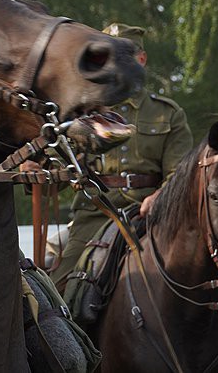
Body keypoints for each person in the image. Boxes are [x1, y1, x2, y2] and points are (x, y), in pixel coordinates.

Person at [49, 22, 192, 291]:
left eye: (123, 57)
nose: (114, 65)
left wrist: (160, 197)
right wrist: (44, 165)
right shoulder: (81, 113)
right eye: (106, 58)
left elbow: (180, 173)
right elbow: (55, 177)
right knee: (60, 291)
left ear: (141, 59)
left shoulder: (167, 113)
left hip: (151, 215)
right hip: (96, 213)